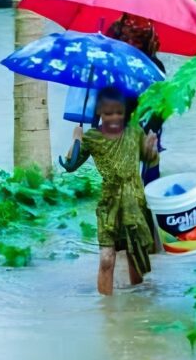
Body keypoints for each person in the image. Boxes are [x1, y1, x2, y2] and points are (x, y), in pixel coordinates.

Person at [67, 86, 158, 294]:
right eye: (108, 113)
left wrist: (150, 149)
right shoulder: (92, 137)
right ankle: (106, 312)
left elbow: (150, 161)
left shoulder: (135, 132)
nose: (114, 117)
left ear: (125, 111)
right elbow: (71, 165)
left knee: (135, 257)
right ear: (99, 112)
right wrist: (77, 139)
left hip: (135, 203)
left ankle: (137, 304)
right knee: (107, 259)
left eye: (119, 112)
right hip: (110, 205)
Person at [103, 15, 168, 184]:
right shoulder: (113, 64)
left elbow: (159, 107)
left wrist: (151, 131)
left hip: (136, 128)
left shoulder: (153, 66)